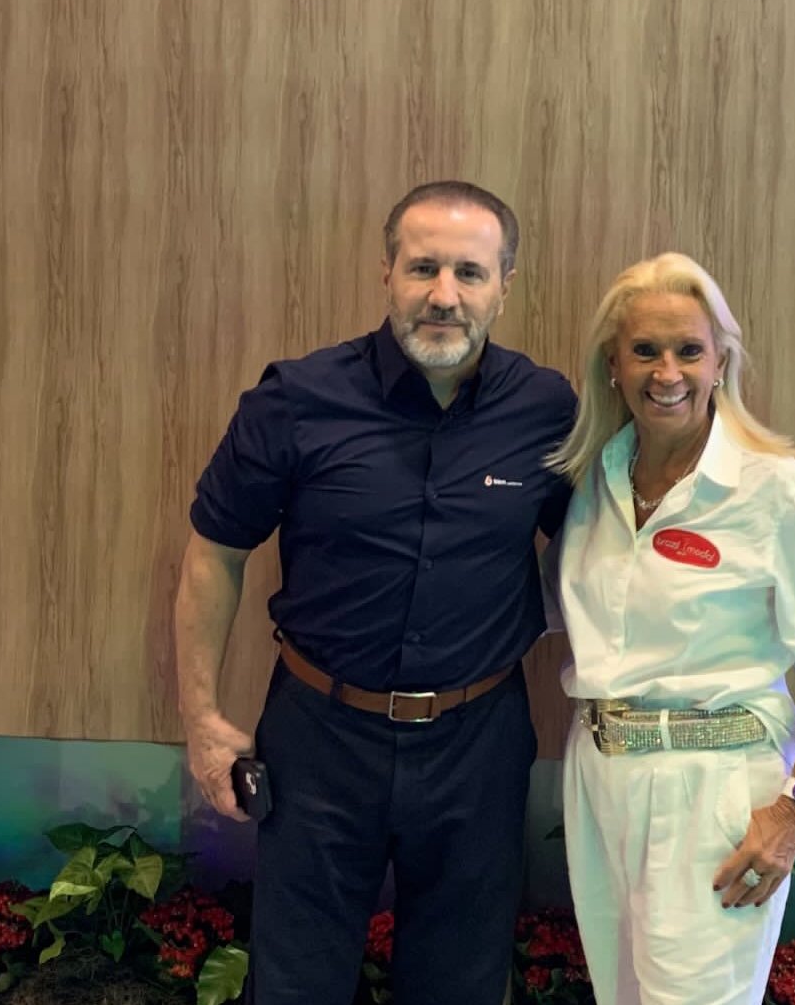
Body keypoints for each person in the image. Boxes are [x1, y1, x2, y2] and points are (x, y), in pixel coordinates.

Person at [174, 181, 577, 1005]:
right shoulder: (296, 399)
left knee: (460, 984)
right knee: (295, 983)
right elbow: (215, 553)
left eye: (469, 272)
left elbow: (599, 553)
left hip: (478, 742)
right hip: (320, 739)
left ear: (504, 286)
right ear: (386, 273)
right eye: (422, 267)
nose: (444, 295)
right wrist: (203, 720)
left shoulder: (546, 409)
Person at [544, 253, 795, 1005]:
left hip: (715, 790)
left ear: (720, 361)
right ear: (612, 365)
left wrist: (792, 813)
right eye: (645, 350)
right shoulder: (591, 483)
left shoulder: (778, 491)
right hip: (599, 780)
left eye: (688, 351)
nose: (667, 372)